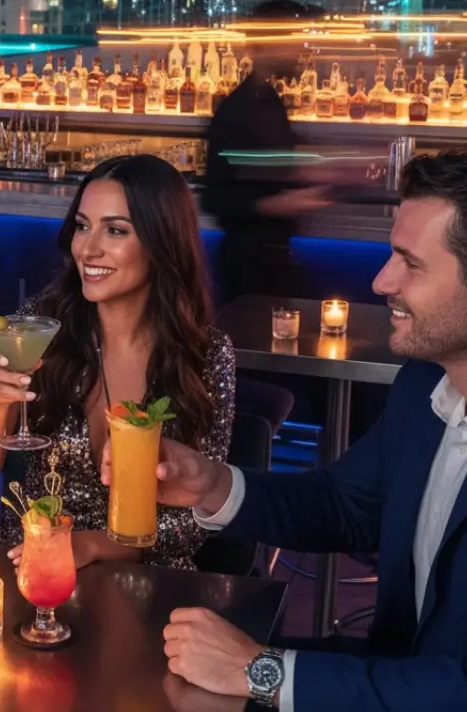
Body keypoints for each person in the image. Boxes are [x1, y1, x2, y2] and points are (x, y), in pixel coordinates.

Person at [104, 152, 467, 712]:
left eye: (411, 264)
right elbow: (345, 505)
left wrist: (262, 671)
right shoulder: (424, 385)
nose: (381, 280)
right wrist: (211, 484)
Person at [0, 154, 235, 571]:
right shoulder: (40, 327)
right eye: (82, 226)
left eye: (115, 230)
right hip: (30, 559)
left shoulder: (204, 353)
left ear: (161, 242)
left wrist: (90, 545)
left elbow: (194, 521)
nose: (88, 248)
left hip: (147, 576)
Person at [203, 52, 330, 304]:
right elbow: (216, 197)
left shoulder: (269, 99)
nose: (297, 55)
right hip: (248, 260)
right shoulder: (237, 108)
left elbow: (265, 166)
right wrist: (276, 204)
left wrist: (306, 173)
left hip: (274, 254)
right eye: (289, 45)